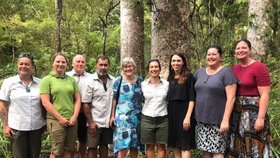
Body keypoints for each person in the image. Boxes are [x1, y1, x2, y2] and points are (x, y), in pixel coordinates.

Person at [226, 39, 272, 158]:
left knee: (254, 145)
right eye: (238, 48)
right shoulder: (234, 69)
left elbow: (265, 95)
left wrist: (261, 118)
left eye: (244, 48)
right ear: (235, 51)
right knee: (238, 144)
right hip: (237, 113)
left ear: (249, 50)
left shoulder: (259, 67)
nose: (240, 50)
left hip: (254, 113)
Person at [0, 54, 46, 158]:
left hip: (36, 127)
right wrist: (6, 125)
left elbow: (45, 103)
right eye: (21, 64)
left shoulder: (41, 83)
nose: (23, 66)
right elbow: (2, 104)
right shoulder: (9, 83)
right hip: (17, 128)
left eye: (27, 64)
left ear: (33, 67)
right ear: (17, 65)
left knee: (35, 155)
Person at [194, 45, 237, 158]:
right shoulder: (199, 73)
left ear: (220, 57)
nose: (211, 57)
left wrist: (225, 120)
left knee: (218, 152)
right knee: (205, 151)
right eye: (209, 54)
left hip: (218, 121)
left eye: (214, 54)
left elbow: (231, 98)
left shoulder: (226, 73)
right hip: (201, 120)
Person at [40, 53, 81, 158]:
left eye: (63, 62)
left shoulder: (71, 80)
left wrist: (74, 117)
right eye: (58, 61)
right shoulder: (47, 80)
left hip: (71, 120)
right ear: (53, 63)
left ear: (67, 64)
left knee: (69, 149)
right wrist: (60, 118)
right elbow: (45, 102)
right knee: (56, 151)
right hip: (55, 120)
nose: (60, 64)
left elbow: (78, 99)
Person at [81, 56, 115, 158]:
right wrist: (91, 122)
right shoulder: (90, 81)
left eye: (105, 65)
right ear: (96, 65)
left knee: (104, 145)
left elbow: (114, 100)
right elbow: (85, 103)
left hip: (108, 122)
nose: (103, 67)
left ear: (108, 66)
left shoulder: (113, 80)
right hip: (94, 121)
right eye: (101, 65)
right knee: (92, 147)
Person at [110, 57, 144, 158]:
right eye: (125, 67)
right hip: (122, 119)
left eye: (129, 66)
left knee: (134, 145)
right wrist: (112, 116)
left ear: (134, 67)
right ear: (122, 68)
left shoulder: (140, 81)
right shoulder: (118, 80)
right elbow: (114, 99)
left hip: (136, 118)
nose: (127, 69)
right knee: (122, 145)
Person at [167, 53, 196, 158]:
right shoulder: (170, 77)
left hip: (185, 113)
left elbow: (192, 99)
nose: (176, 63)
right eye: (173, 61)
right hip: (172, 114)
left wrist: (188, 117)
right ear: (170, 63)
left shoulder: (189, 76)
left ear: (183, 62)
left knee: (185, 145)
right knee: (176, 145)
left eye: (178, 61)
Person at [141, 59, 169, 158]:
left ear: (160, 69)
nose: (154, 69)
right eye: (151, 67)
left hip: (162, 119)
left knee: (161, 146)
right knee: (149, 147)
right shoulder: (143, 85)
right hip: (147, 118)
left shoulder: (166, 84)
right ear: (148, 69)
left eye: (156, 67)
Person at [66, 54, 93, 158]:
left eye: (82, 62)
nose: (80, 64)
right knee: (69, 142)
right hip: (69, 113)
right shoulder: (66, 76)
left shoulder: (91, 77)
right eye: (78, 61)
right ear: (73, 64)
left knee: (83, 140)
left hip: (84, 113)